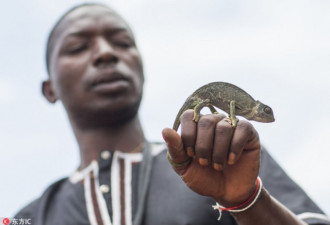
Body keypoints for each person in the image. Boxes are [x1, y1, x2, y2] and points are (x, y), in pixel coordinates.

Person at [12, 3, 330, 225]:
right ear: (49, 89)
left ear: (142, 68)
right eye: (78, 47)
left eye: (122, 42)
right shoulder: (29, 217)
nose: (106, 53)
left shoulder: (226, 153)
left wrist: (247, 201)